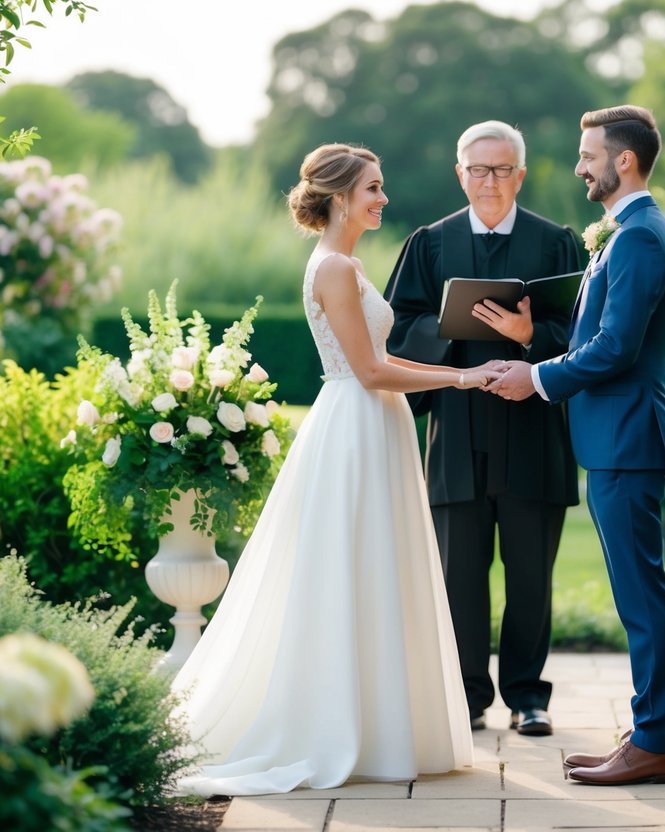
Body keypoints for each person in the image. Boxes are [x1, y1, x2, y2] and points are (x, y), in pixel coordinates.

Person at [171, 143, 496, 796]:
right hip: (354, 423)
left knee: (378, 568)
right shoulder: (335, 268)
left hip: (374, 420)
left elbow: (377, 362)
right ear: (341, 195)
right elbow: (371, 369)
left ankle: (380, 729)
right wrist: (467, 377)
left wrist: (465, 375)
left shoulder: (344, 263)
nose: (383, 199)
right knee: (351, 567)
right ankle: (338, 729)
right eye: (373, 188)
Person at [488, 105, 665, 785]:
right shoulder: (627, 233)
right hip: (615, 440)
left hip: (627, 441)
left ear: (622, 160)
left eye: (587, 154)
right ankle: (644, 732)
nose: (577, 167)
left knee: (640, 598)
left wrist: (535, 377)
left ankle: (654, 743)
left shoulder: (638, 239)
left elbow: (613, 348)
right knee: (637, 595)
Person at [382, 120, 582, 736]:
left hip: (533, 433)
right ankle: (466, 693)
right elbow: (396, 326)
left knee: (530, 575)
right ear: (459, 172)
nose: (488, 181)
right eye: (477, 169)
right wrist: (451, 328)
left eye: (501, 170)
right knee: (458, 576)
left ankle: (528, 696)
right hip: (458, 430)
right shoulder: (429, 244)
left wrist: (530, 338)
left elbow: (585, 333)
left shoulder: (557, 243)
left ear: (521, 174)